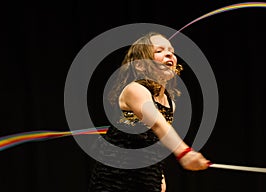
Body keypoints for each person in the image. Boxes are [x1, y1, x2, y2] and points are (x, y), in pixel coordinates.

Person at [88, 32, 210, 192]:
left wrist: (159, 176)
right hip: (115, 181)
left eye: (171, 51)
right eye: (159, 51)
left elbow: (157, 140)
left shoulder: (169, 103)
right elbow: (158, 124)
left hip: (145, 180)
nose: (169, 54)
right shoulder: (134, 90)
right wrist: (184, 153)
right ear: (140, 64)